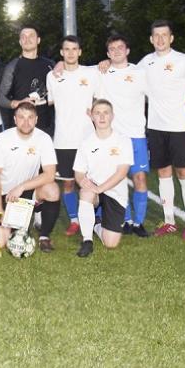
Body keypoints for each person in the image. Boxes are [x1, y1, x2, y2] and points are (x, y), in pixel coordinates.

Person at [139, 20, 185, 240]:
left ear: (171, 38)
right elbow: (123, 74)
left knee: (184, 173)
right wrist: (103, 64)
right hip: (155, 128)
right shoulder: (145, 62)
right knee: (163, 173)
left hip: (179, 127)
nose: (160, 39)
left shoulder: (183, 60)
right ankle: (169, 221)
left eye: (164, 35)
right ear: (151, 39)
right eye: (156, 35)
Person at [45, 35, 101, 238]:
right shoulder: (52, 76)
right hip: (63, 140)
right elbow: (50, 102)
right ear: (61, 52)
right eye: (66, 49)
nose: (70, 53)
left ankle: (96, 218)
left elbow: (100, 99)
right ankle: (74, 220)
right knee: (68, 183)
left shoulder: (91, 73)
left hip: (88, 139)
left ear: (80, 52)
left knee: (93, 181)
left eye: (74, 49)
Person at [0, 102, 60, 253]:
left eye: (30, 117)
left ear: (36, 119)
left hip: (27, 191)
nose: (26, 122)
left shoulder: (44, 138)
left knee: (52, 189)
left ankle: (44, 236)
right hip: (6, 195)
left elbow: (50, 174)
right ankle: (23, 217)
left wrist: (21, 187)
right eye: (21, 117)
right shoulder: (3, 138)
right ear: (15, 119)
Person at [100, 35, 151, 237]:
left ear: (127, 50)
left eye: (120, 47)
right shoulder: (102, 73)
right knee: (117, 180)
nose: (116, 51)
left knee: (139, 178)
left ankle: (139, 223)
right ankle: (126, 220)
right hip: (114, 137)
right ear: (108, 53)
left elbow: (158, 93)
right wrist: (60, 64)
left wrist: (184, 96)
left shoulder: (140, 73)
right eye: (112, 49)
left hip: (136, 136)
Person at [73, 99, 134, 257]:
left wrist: (100, 188)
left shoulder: (123, 140)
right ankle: (87, 241)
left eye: (105, 113)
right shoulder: (86, 143)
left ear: (112, 116)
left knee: (111, 243)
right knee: (86, 192)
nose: (101, 117)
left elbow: (122, 172)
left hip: (115, 192)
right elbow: (79, 172)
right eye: (97, 113)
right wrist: (82, 181)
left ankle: (96, 224)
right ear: (92, 116)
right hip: (95, 191)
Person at [0, 25, 56, 135]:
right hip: (21, 128)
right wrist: (18, 103)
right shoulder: (12, 66)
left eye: (31, 36)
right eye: (23, 37)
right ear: (20, 42)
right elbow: (1, 98)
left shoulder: (50, 65)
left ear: (38, 40)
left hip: (46, 127)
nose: (27, 39)